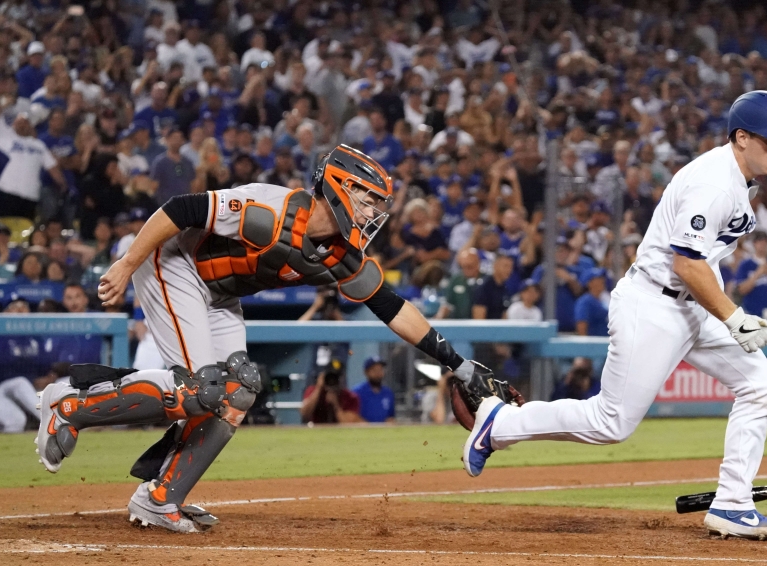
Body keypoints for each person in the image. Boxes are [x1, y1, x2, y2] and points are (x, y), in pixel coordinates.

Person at [35, 145, 496, 534]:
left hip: (219, 295)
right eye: (368, 198)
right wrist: (127, 262)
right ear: (339, 184)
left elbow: (392, 307)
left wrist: (459, 364)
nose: (375, 211)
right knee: (201, 389)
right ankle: (70, 406)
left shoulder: (339, 251)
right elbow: (180, 208)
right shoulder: (271, 207)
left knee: (240, 387)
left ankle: (160, 497)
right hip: (173, 264)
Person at [461, 90, 767, 541]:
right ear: (741, 138)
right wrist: (733, 316)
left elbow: (700, 265)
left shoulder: (736, 175)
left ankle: (733, 503)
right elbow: (686, 263)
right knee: (611, 423)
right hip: (655, 305)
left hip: (694, 304)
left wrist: (721, 310)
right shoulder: (715, 183)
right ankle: (498, 423)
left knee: (761, 385)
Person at [735, 230, 767, 319]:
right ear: (754, 244)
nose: (762, 245)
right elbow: (741, 290)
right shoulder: (745, 264)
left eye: (764, 242)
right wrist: (758, 273)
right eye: (759, 242)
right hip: (751, 313)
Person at [352, 356, 396, 423]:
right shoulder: (357, 392)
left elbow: (391, 417)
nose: (378, 373)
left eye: (380, 369)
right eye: (374, 370)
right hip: (362, 431)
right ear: (366, 372)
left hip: (384, 432)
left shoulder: (388, 393)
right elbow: (352, 416)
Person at [573, 267, 610, 336]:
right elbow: (581, 327)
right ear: (589, 283)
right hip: (595, 344)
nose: (602, 280)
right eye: (598, 278)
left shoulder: (604, 299)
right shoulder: (585, 302)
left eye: (602, 278)